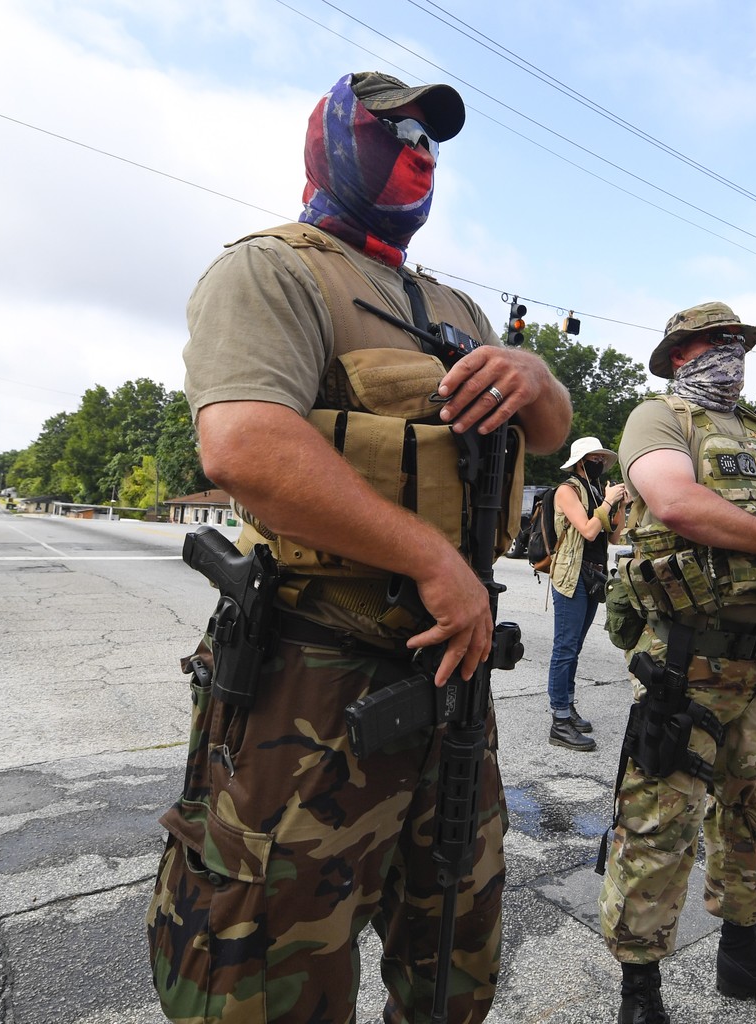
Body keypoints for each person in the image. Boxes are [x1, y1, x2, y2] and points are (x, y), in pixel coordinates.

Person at [146, 71, 572, 1024]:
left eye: (434, 136)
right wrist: (433, 561)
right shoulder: (273, 270)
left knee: (456, 950)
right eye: (398, 127)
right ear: (333, 138)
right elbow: (244, 443)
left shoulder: (452, 306)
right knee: (265, 963)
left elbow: (547, 432)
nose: (422, 145)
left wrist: (534, 371)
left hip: (450, 680)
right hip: (313, 678)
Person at [599, 301, 756, 1022]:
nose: (730, 353)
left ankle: (745, 953)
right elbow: (675, 502)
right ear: (680, 353)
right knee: (659, 825)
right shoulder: (659, 417)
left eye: (738, 342)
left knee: (750, 815)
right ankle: (639, 988)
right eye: (715, 342)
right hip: (686, 660)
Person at [547, 436, 627, 752]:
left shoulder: (595, 491)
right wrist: (607, 502)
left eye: (601, 459)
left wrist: (619, 505)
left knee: (575, 647)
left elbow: (613, 536)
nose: (598, 464)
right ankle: (559, 720)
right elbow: (588, 529)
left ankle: (568, 707)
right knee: (564, 647)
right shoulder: (567, 490)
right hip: (571, 575)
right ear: (581, 462)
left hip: (593, 575)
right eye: (594, 458)